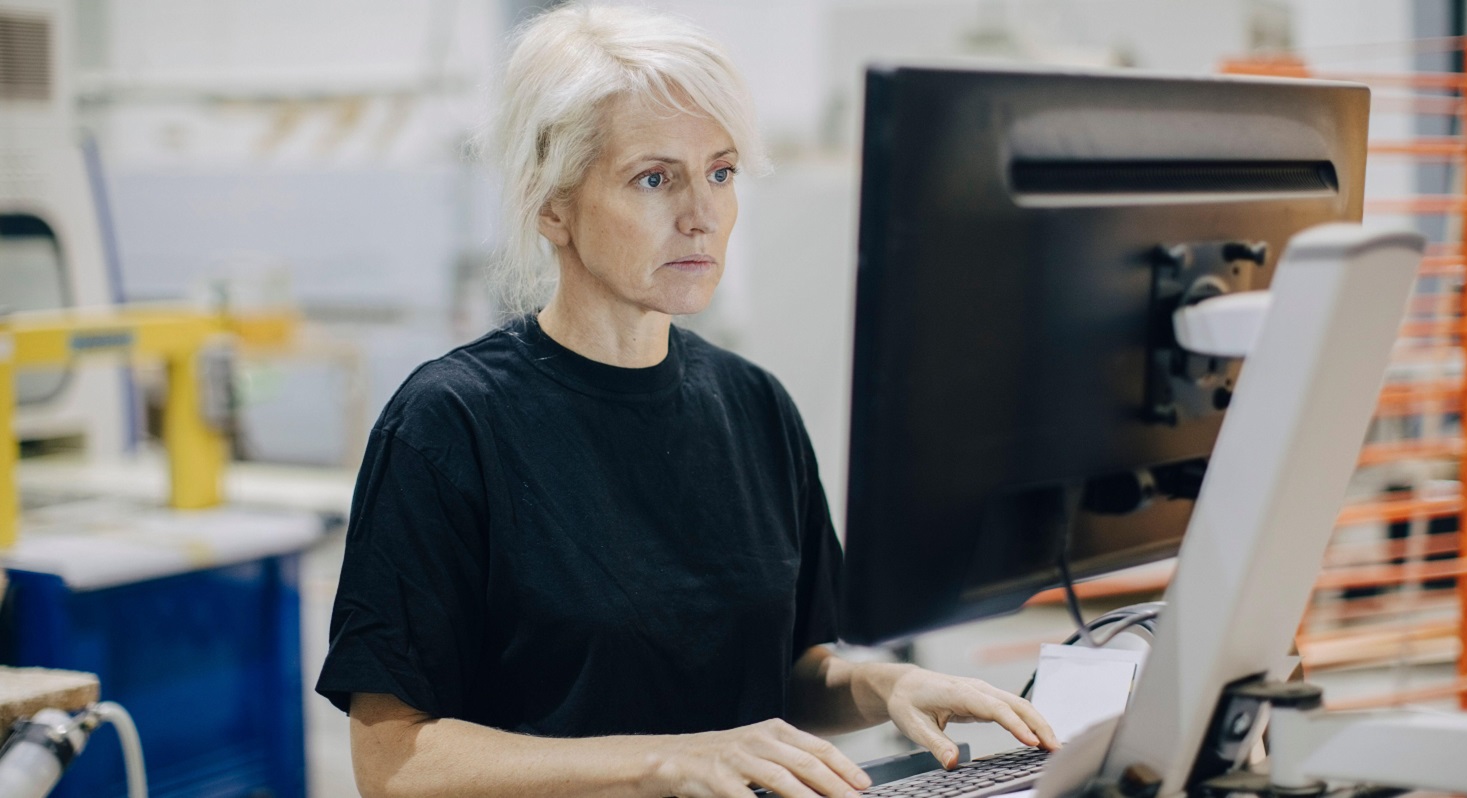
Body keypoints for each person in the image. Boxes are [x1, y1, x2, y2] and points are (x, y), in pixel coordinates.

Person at [317, 5, 1058, 797]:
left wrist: (883, 687)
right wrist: (668, 761)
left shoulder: (754, 406)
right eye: (654, 178)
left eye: (721, 172)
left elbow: (787, 671)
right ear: (551, 204)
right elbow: (391, 762)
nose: (702, 216)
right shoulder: (449, 424)